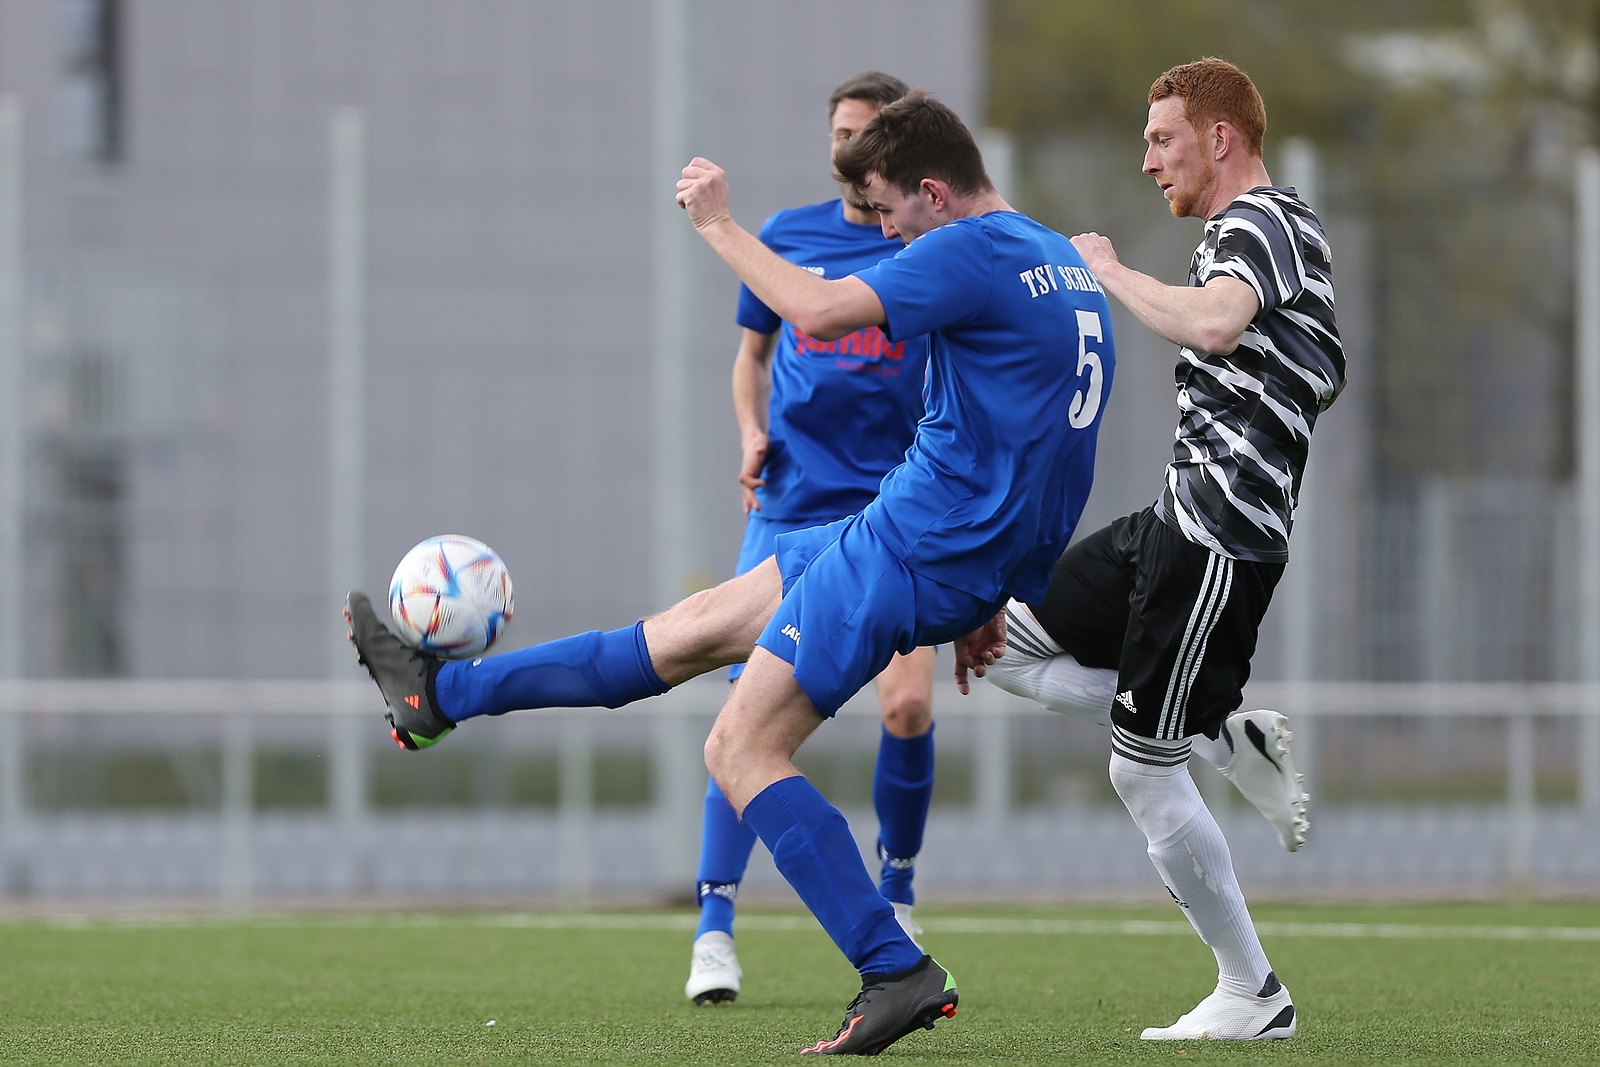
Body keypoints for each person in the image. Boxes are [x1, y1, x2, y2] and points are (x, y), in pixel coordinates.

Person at [344, 90, 1115, 1055]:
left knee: (738, 751)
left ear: (934, 192)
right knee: (695, 627)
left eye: (887, 213)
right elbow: (1049, 449)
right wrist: (988, 583)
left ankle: (893, 967)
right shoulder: (1061, 262)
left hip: (907, 549)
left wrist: (715, 220)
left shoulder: (968, 247)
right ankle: (439, 696)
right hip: (921, 540)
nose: (884, 234)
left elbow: (820, 313)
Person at [969, 57, 1341, 1042]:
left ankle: (1252, 991)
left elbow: (1217, 323)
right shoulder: (1240, 232)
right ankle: (1218, 733)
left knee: (1138, 769)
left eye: (1162, 139)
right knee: (997, 636)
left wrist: (1110, 273)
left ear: (1219, 138)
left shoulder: (1262, 222)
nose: (1147, 161)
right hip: (1170, 522)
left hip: (1218, 539)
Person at [687, 71, 940, 1008]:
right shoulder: (788, 235)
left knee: (907, 707)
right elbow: (750, 361)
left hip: (889, 512)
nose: (851, 147)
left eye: (867, 133)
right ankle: (715, 926)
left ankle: (899, 892)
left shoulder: (919, 240)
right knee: (740, 716)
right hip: (790, 504)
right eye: (840, 131)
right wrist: (751, 431)